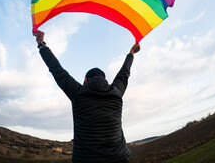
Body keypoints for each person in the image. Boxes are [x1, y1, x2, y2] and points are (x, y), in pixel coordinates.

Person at [33, 30, 140, 163]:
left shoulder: (78, 92)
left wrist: (41, 44)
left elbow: (56, 69)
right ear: (104, 79)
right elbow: (125, 73)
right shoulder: (116, 92)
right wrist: (131, 53)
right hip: (118, 158)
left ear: (85, 80)